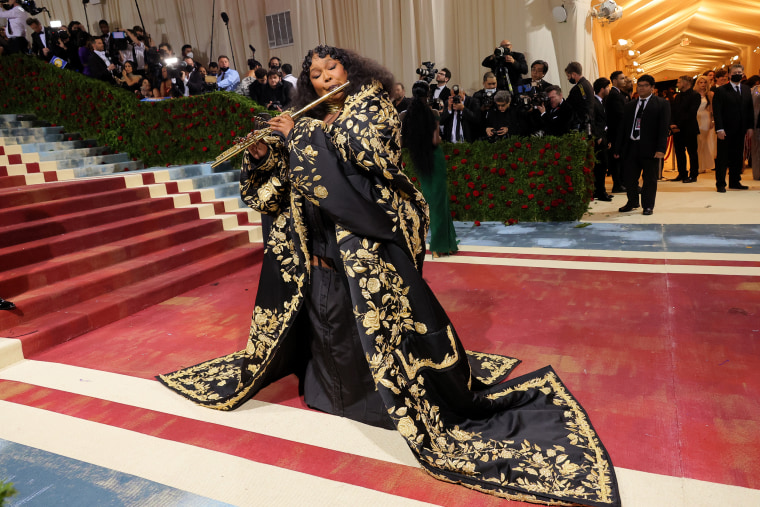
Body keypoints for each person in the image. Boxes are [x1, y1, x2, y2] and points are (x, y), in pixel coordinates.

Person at [158, 44, 620, 507]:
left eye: (331, 69)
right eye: (315, 74)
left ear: (350, 69)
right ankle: (331, 394)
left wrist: (301, 134)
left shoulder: (372, 106)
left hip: (365, 241)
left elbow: (364, 160)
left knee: (374, 326)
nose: (323, 80)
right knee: (327, 326)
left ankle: (377, 401)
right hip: (318, 248)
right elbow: (277, 194)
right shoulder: (312, 118)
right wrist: (264, 156)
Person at [401, 80, 458, 258]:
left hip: (418, 160)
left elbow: (402, 141)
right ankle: (439, 245)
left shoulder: (404, 115)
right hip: (434, 159)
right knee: (440, 202)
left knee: (430, 201)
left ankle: (447, 243)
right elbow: (436, 141)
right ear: (428, 95)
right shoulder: (432, 113)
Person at [615, 74, 670, 216]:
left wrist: (661, 149)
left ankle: (648, 205)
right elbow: (623, 128)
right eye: (639, 85)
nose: (641, 88)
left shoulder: (661, 104)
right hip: (631, 146)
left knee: (649, 179)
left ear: (652, 88)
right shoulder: (630, 105)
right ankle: (632, 201)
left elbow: (663, 128)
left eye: (645, 85)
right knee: (629, 177)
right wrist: (618, 147)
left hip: (650, 148)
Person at [712, 63, 754, 191]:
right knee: (723, 158)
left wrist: (750, 127)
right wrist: (719, 129)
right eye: (734, 73)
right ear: (729, 75)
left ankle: (735, 181)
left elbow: (749, 109)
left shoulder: (746, 89)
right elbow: (717, 111)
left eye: (739, 73)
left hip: (741, 130)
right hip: (725, 130)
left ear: (743, 74)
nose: (737, 75)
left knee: (737, 156)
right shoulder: (721, 91)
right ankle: (720, 183)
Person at [669, 76, 702, 182]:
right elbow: (673, 111)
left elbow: (691, 113)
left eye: (679, 82)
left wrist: (677, 125)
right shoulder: (678, 96)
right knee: (679, 152)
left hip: (689, 128)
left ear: (686, 82)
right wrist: (672, 124)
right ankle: (682, 173)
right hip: (677, 129)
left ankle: (693, 175)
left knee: (692, 152)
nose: (677, 84)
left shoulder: (695, 95)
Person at [606, 71, 629, 192]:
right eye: (621, 78)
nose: (624, 80)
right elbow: (620, 115)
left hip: (619, 132)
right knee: (617, 158)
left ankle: (621, 183)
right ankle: (618, 184)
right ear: (614, 80)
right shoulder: (614, 95)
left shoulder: (618, 93)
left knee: (620, 159)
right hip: (616, 132)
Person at [592, 77, 613, 201]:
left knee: (603, 165)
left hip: (604, 137)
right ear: (602, 89)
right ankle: (600, 192)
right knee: (600, 166)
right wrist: (598, 137)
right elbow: (592, 121)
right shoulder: (594, 103)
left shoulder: (601, 102)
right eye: (607, 87)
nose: (609, 89)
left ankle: (601, 191)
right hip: (599, 139)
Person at [694, 75, 716, 174]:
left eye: (704, 82)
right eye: (701, 82)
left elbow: (712, 109)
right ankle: (699, 164)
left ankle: (701, 166)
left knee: (703, 141)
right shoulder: (694, 94)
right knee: (697, 143)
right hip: (695, 119)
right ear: (697, 83)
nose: (703, 84)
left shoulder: (710, 94)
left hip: (705, 118)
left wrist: (712, 120)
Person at [565, 61, 594, 132]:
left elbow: (568, 105)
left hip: (581, 124)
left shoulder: (577, 88)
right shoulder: (587, 84)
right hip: (589, 122)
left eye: (568, 76)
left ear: (574, 74)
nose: (568, 79)